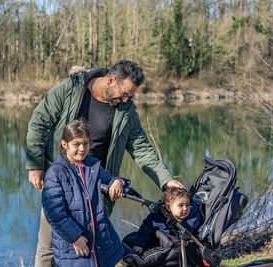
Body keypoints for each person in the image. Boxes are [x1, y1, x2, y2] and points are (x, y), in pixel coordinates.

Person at [26, 60, 184, 267]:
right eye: (124, 93)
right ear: (111, 80)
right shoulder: (72, 89)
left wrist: (166, 181)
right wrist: (35, 165)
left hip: (97, 185)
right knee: (48, 247)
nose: (126, 99)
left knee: (95, 246)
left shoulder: (126, 111)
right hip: (61, 180)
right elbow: (39, 122)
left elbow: (142, 149)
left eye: (131, 95)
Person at [42, 119, 129, 267]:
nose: (82, 148)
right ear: (65, 144)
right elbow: (54, 213)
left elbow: (109, 179)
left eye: (86, 143)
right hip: (73, 246)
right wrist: (75, 237)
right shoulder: (55, 172)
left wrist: (117, 182)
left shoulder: (93, 165)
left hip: (99, 242)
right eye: (76, 144)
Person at [131, 187, 202, 253]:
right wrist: (139, 244)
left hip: (184, 247)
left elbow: (200, 230)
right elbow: (145, 230)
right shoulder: (158, 217)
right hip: (162, 244)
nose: (185, 208)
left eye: (187, 205)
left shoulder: (194, 217)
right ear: (168, 207)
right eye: (181, 205)